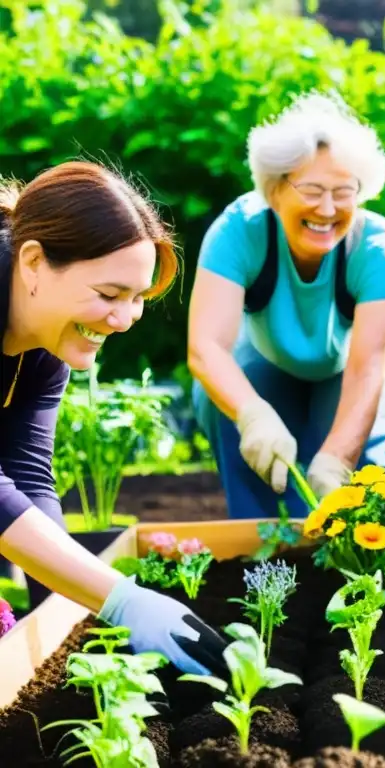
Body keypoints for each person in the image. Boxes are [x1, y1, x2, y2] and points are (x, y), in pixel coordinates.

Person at [0, 160, 226, 675]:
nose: (123, 319)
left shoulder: (44, 340)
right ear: (33, 262)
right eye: (108, 295)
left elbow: (28, 474)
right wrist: (121, 599)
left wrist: (69, 626)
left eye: (136, 298)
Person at [188, 92, 385, 518]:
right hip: (270, 360)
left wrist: (338, 457)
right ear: (274, 191)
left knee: (355, 466)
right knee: (222, 407)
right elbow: (206, 347)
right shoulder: (239, 230)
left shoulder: (378, 248)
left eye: (343, 192)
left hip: (355, 365)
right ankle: (263, 562)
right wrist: (252, 415)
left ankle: (371, 569)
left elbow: (369, 366)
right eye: (311, 190)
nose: (327, 209)